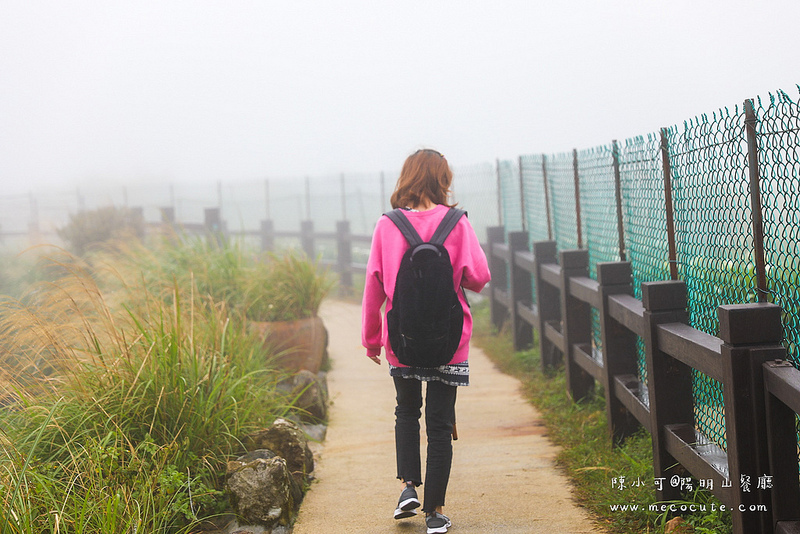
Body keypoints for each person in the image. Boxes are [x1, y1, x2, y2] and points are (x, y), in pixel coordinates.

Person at [361, 148, 491, 534]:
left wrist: (372, 340)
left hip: (401, 339)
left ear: (407, 178)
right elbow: (479, 278)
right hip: (450, 340)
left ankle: (407, 489)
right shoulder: (457, 223)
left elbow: (374, 286)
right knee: (439, 422)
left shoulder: (387, 226)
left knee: (406, 411)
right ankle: (434, 512)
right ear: (442, 180)